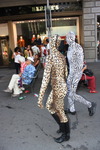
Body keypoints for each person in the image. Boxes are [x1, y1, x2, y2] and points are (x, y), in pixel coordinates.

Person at [38, 34, 70, 143]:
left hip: (58, 88)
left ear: (52, 43)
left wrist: (40, 98)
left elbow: (45, 79)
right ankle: (62, 126)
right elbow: (66, 73)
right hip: (60, 86)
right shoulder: (62, 56)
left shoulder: (51, 57)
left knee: (61, 112)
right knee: (49, 106)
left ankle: (66, 135)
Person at [65, 31, 96, 116]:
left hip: (76, 74)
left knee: (72, 94)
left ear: (71, 38)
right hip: (71, 73)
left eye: (67, 37)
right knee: (69, 92)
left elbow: (80, 64)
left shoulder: (77, 48)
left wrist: (74, 76)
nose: (66, 39)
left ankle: (89, 104)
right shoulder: (70, 47)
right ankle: (72, 109)